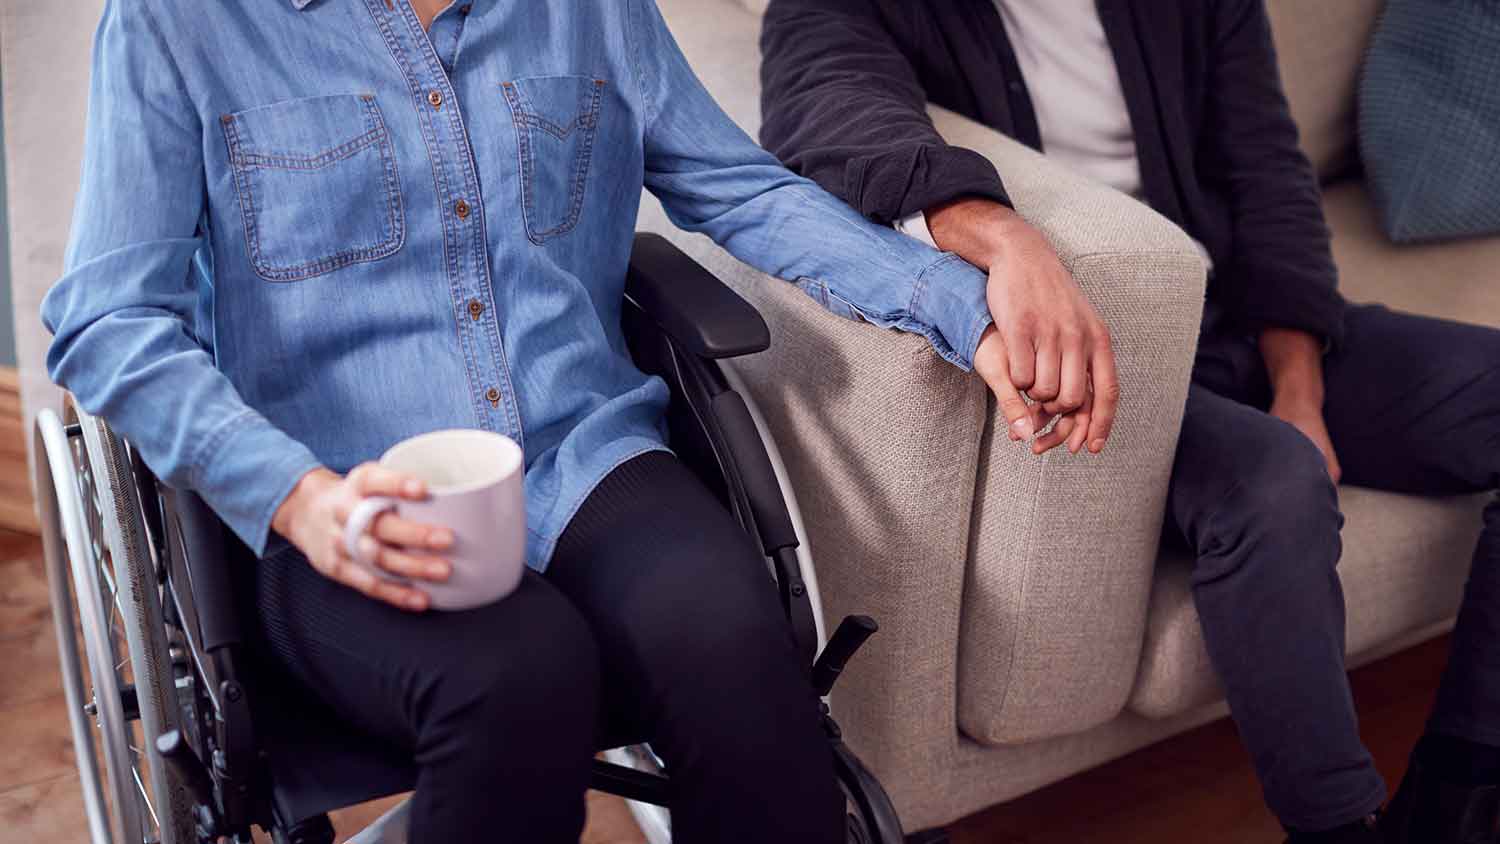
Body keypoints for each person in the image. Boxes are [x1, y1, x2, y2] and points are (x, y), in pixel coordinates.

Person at [38, 0, 1044, 840]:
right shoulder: (179, 23)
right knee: (519, 680)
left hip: (583, 451)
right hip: (343, 495)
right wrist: (299, 499)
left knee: (738, 658)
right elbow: (107, 317)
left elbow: (735, 186)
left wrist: (963, 307)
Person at [757, 1, 1500, 843]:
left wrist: (1302, 390)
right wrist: (1004, 235)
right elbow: (827, 117)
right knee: (1272, 484)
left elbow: (1266, 170)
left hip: (1236, 314)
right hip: (1108, 361)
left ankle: (1461, 794)